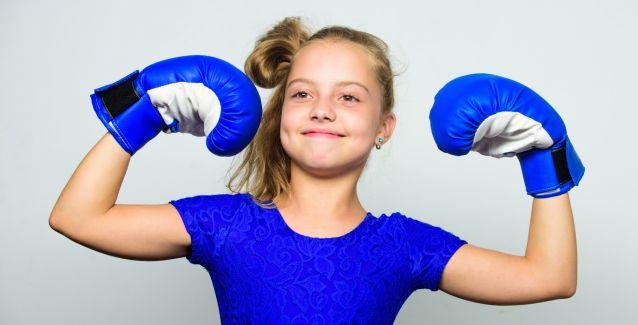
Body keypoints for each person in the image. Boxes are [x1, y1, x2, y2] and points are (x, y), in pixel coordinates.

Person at [49, 16, 580, 324]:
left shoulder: (403, 245)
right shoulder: (226, 226)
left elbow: (549, 277)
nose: (322, 108)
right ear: (281, 115)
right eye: (302, 93)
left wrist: (543, 157)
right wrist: (142, 111)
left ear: (383, 127)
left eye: (349, 96)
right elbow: (78, 216)